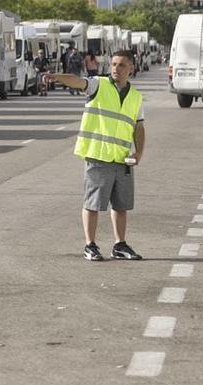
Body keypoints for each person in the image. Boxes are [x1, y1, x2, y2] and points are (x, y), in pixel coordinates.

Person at [46, 50, 146, 262]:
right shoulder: (98, 85)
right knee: (92, 204)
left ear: (131, 68)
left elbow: (139, 127)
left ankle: (120, 245)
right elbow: (77, 81)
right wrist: (57, 77)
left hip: (122, 158)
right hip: (98, 156)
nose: (116, 69)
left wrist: (139, 152)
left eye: (121, 65)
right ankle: (90, 245)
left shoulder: (136, 97)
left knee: (121, 205)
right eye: (114, 64)